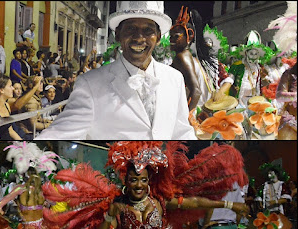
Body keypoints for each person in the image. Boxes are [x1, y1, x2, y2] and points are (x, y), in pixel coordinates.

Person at [42, 141, 249, 229]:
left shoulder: (160, 201)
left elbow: (194, 202)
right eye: (134, 180)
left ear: (149, 180)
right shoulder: (119, 204)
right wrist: (109, 216)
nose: (138, 185)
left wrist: (230, 205)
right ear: (127, 181)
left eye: (143, 180)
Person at [35, 1, 196, 140]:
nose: (139, 37)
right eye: (131, 28)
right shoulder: (90, 84)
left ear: (158, 37)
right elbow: (60, 133)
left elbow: (181, 132)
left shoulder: (175, 78)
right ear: (118, 34)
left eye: (148, 30)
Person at [0, 74, 23, 140]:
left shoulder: (7, 105)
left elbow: (10, 130)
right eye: (10, 86)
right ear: (1, 90)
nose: (13, 88)